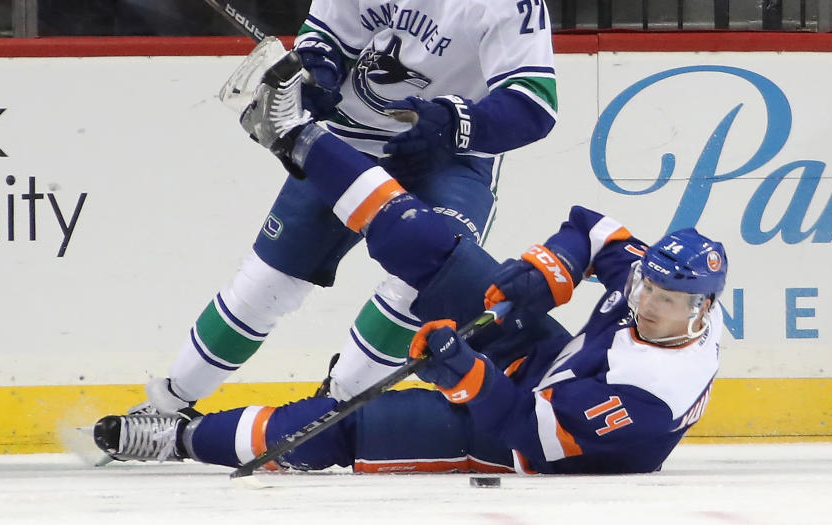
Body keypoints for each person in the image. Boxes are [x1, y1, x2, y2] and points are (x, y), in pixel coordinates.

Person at [94, 53, 727, 475]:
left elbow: (527, 431)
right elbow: (599, 232)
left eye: (666, 302)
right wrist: (550, 270)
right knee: (423, 242)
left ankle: (175, 439)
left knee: (339, 429)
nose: (646, 301)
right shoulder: (665, 286)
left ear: (698, 313)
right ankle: (294, 134)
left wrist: (464, 371)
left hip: (516, 439)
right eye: (647, 287)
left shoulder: (650, 395)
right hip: (543, 358)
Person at [136, 0, 559, 415]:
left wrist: (450, 122)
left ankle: (337, 405)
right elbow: (326, 37)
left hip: (448, 157)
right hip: (347, 140)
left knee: (424, 284)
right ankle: (168, 405)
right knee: (266, 283)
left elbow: (533, 105)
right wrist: (320, 71)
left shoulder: (510, 4)